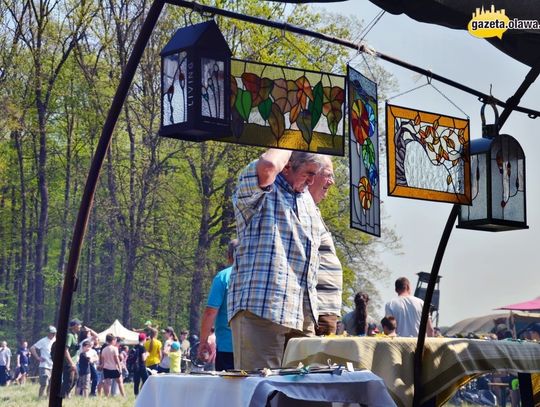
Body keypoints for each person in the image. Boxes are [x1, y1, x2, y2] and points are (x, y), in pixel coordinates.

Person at [228, 149, 326, 370]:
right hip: (262, 311)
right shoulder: (264, 190)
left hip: (302, 316)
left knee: (304, 396)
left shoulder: (307, 200)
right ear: (288, 165)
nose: (312, 180)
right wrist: (291, 135)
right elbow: (269, 165)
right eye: (309, 173)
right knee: (262, 393)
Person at [308, 156, 343, 336]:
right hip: (318, 309)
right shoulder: (304, 209)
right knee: (319, 363)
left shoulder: (313, 210)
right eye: (328, 175)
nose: (332, 181)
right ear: (311, 174)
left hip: (325, 309)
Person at [198, 239, 239, 371]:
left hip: (228, 347)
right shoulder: (256, 276)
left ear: (228, 256)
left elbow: (210, 312)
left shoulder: (223, 277)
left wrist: (203, 342)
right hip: (254, 347)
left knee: (227, 389)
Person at [30, 326, 56, 397]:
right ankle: (40, 398)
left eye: (54, 333)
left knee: (52, 384)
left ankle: (48, 398)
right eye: (51, 333)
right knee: (44, 384)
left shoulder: (56, 340)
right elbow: (32, 348)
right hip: (44, 365)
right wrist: (38, 358)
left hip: (54, 365)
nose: (53, 334)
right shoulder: (43, 340)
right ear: (48, 333)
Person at [61, 318, 82, 397]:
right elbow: (65, 350)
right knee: (68, 380)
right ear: (75, 326)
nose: (80, 326)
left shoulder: (75, 335)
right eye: (79, 324)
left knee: (75, 378)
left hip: (74, 362)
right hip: (68, 363)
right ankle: (62, 396)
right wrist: (71, 363)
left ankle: (66, 394)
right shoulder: (69, 336)